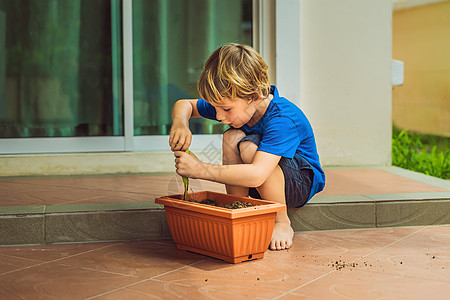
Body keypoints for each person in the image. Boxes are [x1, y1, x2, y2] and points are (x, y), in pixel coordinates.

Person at [169, 43, 325, 251]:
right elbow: (185, 105)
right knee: (232, 137)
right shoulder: (235, 100)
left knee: (249, 147)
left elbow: (257, 174)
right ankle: (240, 208)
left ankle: (282, 222)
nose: (218, 116)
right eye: (215, 108)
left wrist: (200, 169)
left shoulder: (284, 117)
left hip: (299, 184)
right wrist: (181, 123)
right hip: (261, 181)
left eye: (225, 109)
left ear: (254, 97)